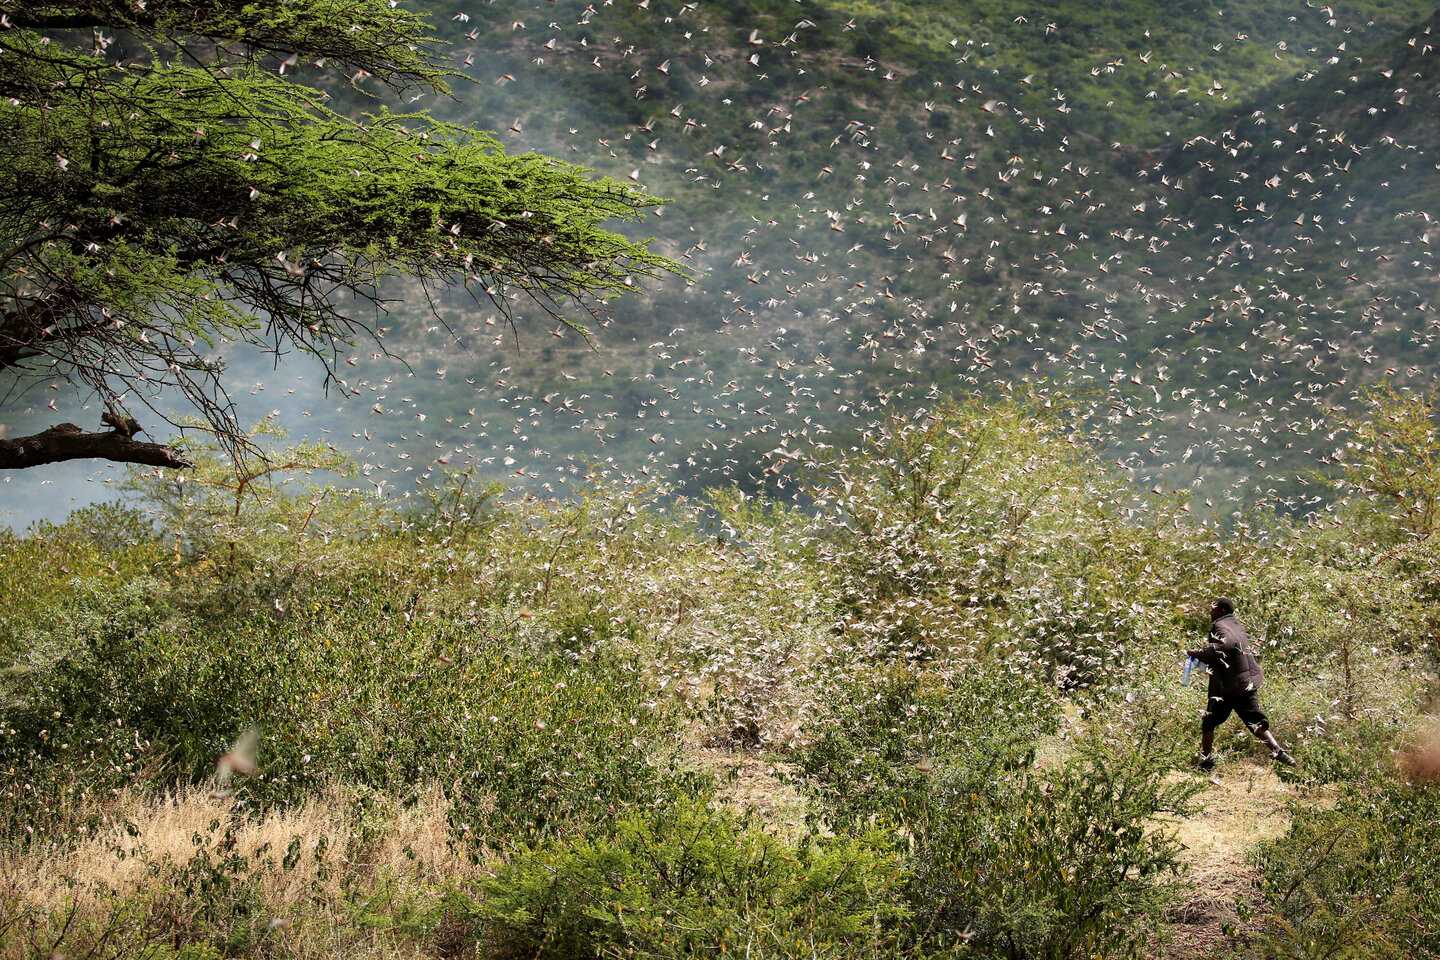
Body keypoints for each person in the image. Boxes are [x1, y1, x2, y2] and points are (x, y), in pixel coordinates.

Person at [1186, 597, 1295, 770]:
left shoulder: (1220, 626)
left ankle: (1206, 763)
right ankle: (1278, 751)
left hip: (1228, 687)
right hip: (1247, 682)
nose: (1210, 612)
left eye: (1213, 609)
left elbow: (1226, 645)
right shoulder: (1236, 624)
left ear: (1221, 611)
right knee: (1255, 722)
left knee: (1208, 722)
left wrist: (1198, 653)